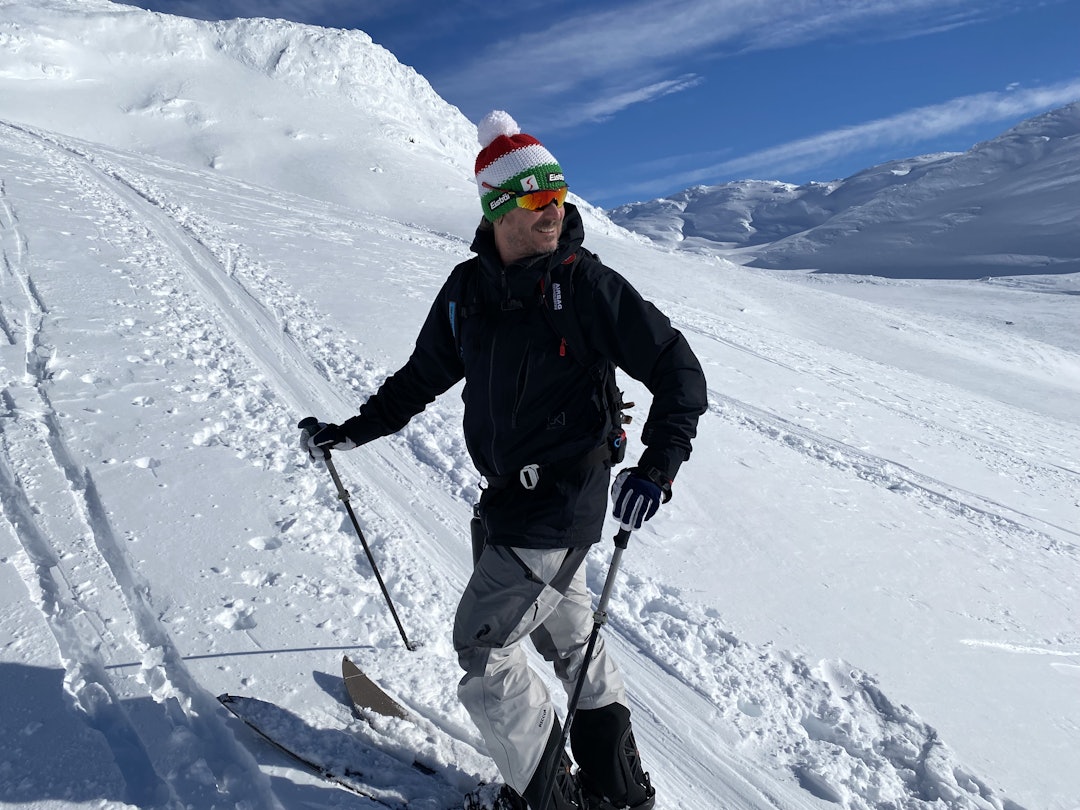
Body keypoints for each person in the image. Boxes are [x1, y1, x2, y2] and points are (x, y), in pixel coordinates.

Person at [304, 111, 707, 810]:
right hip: (506, 503)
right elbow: (421, 376)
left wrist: (658, 464)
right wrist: (353, 431)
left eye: (559, 196)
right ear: (497, 207)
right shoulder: (469, 291)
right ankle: (616, 788)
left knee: (485, 651)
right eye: (534, 199)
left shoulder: (583, 284)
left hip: (558, 507)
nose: (554, 210)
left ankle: (546, 799)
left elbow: (679, 369)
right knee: (572, 641)